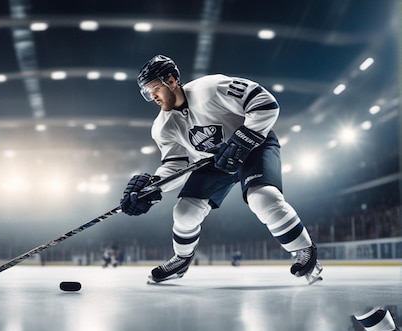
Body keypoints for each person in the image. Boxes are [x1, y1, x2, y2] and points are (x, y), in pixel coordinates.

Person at [121, 54, 322, 284]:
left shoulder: (211, 88)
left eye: (155, 88)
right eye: (148, 92)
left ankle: (305, 251)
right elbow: (176, 165)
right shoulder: (162, 127)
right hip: (213, 163)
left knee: (263, 198)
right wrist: (153, 186)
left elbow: (265, 103)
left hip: (254, 146)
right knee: (184, 213)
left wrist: (242, 140)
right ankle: (181, 259)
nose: (153, 96)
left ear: (172, 80)